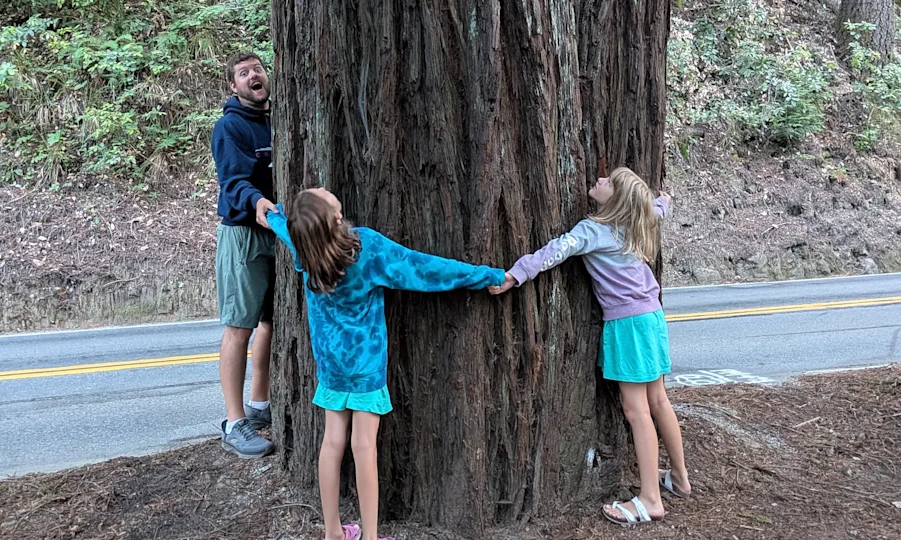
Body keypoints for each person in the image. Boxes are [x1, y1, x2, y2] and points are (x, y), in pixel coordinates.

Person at [264, 187, 504, 540]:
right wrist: (488, 275)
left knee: (332, 443)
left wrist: (271, 215)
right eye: (319, 194)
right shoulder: (365, 248)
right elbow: (425, 269)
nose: (320, 188)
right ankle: (371, 537)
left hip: (331, 365)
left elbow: (287, 228)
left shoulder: (306, 248)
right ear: (335, 217)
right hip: (366, 368)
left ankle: (332, 533)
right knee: (363, 447)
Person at [489, 167, 691, 527]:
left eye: (608, 182)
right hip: (651, 317)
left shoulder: (593, 231)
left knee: (636, 411)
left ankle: (650, 499)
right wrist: (665, 200)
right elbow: (657, 208)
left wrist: (515, 275)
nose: (600, 179)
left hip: (628, 325)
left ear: (617, 200)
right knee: (658, 401)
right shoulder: (639, 219)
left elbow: (554, 251)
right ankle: (679, 478)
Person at [212, 52, 276, 458]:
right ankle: (234, 423)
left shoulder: (277, 121)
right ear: (233, 86)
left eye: (257, 69)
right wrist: (256, 202)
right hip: (243, 235)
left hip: (278, 232)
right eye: (243, 72)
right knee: (240, 327)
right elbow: (232, 181)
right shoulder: (229, 127)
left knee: (271, 321)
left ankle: (259, 404)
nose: (253, 75)